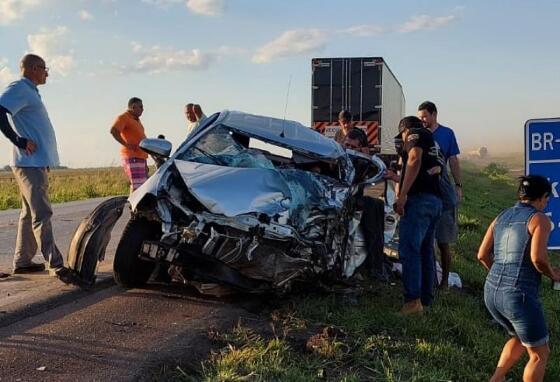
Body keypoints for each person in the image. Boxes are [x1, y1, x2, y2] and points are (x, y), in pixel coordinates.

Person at [478, 175, 560, 382]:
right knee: (539, 354)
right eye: (546, 199)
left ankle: (495, 379)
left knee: (518, 337)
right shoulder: (539, 219)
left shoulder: (502, 216)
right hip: (518, 295)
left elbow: (482, 255)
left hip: (491, 292)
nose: (546, 203)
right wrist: (554, 274)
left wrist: (499, 277)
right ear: (542, 197)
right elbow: (538, 259)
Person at [0, 54, 74, 282]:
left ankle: (23, 262)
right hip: (28, 163)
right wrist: (18, 140)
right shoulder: (20, 87)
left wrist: (45, 159)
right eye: (44, 68)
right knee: (42, 213)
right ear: (32, 68)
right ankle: (56, 263)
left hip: (35, 162)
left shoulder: (29, 91)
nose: (47, 72)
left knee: (29, 213)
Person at [394, 116, 443, 314]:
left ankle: (412, 302)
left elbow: (414, 159)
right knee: (425, 251)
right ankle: (425, 299)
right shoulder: (434, 143)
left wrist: (403, 195)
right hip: (434, 202)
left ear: (405, 130)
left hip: (419, 201)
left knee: (409, 250)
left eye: (402, 136)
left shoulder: (416, 134)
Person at [417, 101, 461, 288]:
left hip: (444, 194)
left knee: (443, 241)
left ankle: (443, 282)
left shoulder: (447, 134)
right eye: (420, 117)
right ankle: (429, 278)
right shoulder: (418, 135)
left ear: (434, 115)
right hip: (426, 194)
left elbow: (453, 160)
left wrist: (458, 185)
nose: (422, 120)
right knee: (426, 241)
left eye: (425, 116)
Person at [342, 128, 389, 280]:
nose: (349, 150)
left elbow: (373, 190)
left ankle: (377, 269)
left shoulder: (374, 165)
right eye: (346, 146)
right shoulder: (342, 159)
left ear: (363, 149)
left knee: (373, 232)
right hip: (351, 201)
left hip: (371, 200)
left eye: (353, 147)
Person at [110, 97, 149, 193]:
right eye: (141, 107)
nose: (143, 109)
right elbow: (113, 130)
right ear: (133, 107)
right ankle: (134, 207)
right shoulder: (124, 117)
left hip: (140, 157)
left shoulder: (136, 120)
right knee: (138, 187)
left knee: (142, 186)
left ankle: (137, 207)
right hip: (132, 157)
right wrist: (126, 144)